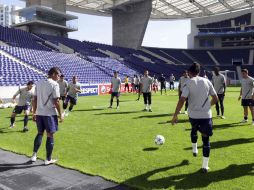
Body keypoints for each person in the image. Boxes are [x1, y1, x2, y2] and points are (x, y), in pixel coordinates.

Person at [172, 63, 218, 173]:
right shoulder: (207, 81)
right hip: (206, 115)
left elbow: (182, 99)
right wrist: (207, 106)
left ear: (189, 72)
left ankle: (194, 149)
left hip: (193, 115)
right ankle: (205, 166)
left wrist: (175, 115)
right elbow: (215, 98)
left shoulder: (188, 83)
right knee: (206, 139)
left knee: (194, 129)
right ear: (199, 72)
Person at [31, 67, 64, 165]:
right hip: (49, 114)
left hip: (39, 113)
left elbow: (34, 99)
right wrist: (61, 114)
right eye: (58, 75)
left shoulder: (39, 83)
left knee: (40, 133)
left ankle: (34, 155)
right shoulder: (54, 84)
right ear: (53, 74)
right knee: (50, 134)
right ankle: (48, 159)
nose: (59, 77)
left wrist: (34, 112)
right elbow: (56, 101)